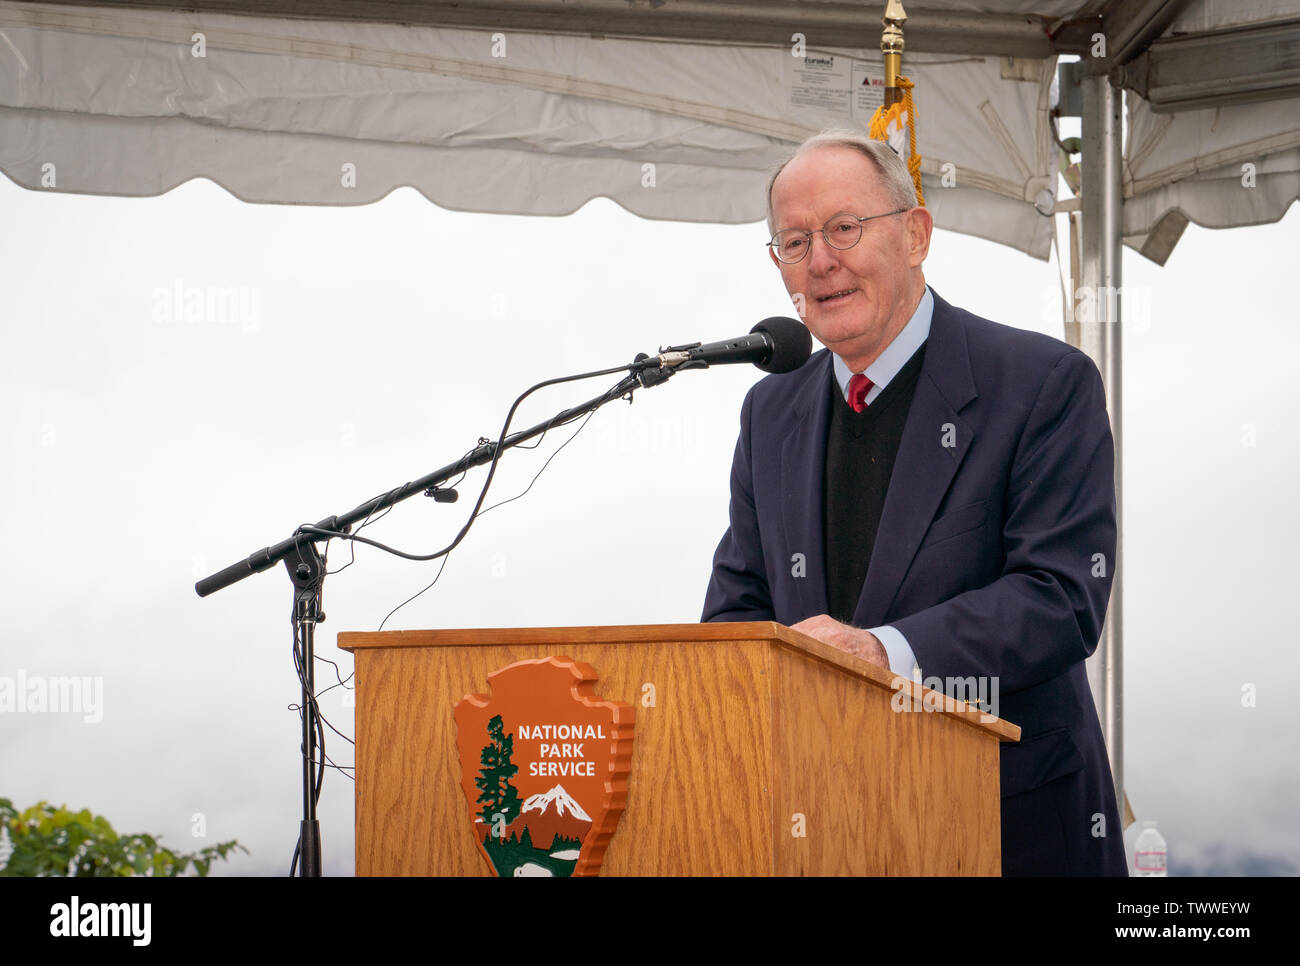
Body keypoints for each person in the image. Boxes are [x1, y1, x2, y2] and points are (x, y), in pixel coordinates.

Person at [700, 129, 1126, 876]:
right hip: (822, 831)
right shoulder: (770, 412)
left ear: (916, 234)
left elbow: (1060, 599)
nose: (821, 261)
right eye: (794, 242)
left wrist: (883, 654)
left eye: (844, 228)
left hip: (1007, 829)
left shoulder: (1043, 382)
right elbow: (739, 613)